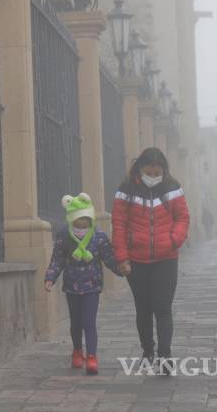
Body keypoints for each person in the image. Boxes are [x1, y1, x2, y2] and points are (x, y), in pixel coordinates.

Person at [111, 147, 190, 375]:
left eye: (157, 173)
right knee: (143, 309)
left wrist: (174, 240)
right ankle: (148, 351)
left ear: (163, 170)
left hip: (166, 259)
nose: (153, 177)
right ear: (140, 169)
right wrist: (122, 258)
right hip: (137, 261)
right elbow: (119, 224)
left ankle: (165, 356)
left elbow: (183, 217)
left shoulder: (172, 188)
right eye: (149, 172)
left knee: (163, 308)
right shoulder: (126, 190)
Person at [44, 192, 124, 375]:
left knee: (89, 321)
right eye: (78, 221)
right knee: (76, 322)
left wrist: (121, 270)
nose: (82, 224)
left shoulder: (99, 236)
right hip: (72, 286)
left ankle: (92, 356)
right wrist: (50, 277)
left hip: (92, 286)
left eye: (85, 220)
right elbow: (57, 259)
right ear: (71, 220)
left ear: (90, 219)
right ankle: (77, 351)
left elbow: (109, 258)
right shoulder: (64, 236)